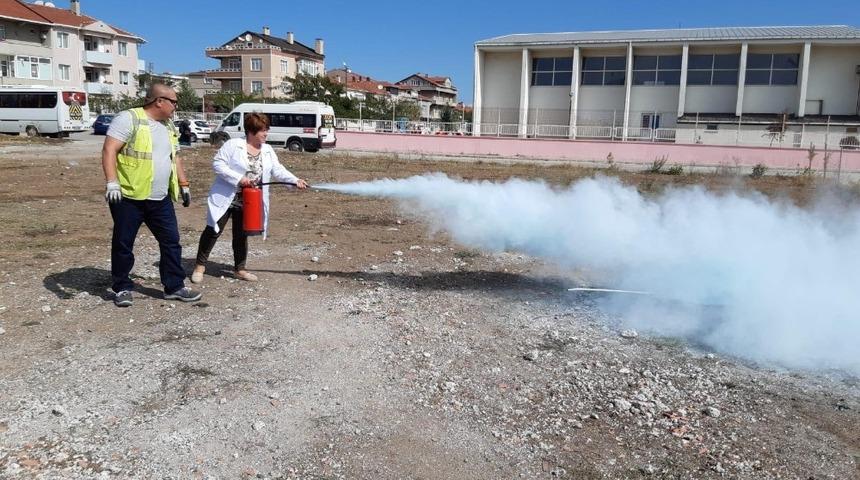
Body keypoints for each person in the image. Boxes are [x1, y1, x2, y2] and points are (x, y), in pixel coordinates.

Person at [101, 83, 202, 307]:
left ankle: (174, 286)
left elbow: (174, 157)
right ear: (159, 101)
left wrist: (184, 184)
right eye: (174, 102)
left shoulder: (168, 125)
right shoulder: (129, 119)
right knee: (123, 243)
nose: (176, 106)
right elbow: (109, 149)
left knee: (171, 242)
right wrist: (112, 183)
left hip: (159, 197)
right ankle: (122, 287)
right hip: (129, 196)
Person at [191, 112, 308, 283]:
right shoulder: (233, 145)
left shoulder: (267, 150)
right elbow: (217, 164)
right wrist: (239, 179)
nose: (266, 133)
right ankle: (200, 266)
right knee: (213, 230)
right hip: (227, 196)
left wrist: (295, 180)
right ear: (251, 132)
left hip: (249, 199)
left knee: (241, 234)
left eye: (266, 130)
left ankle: (240, 269)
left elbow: (278, 169)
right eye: (263, 131)